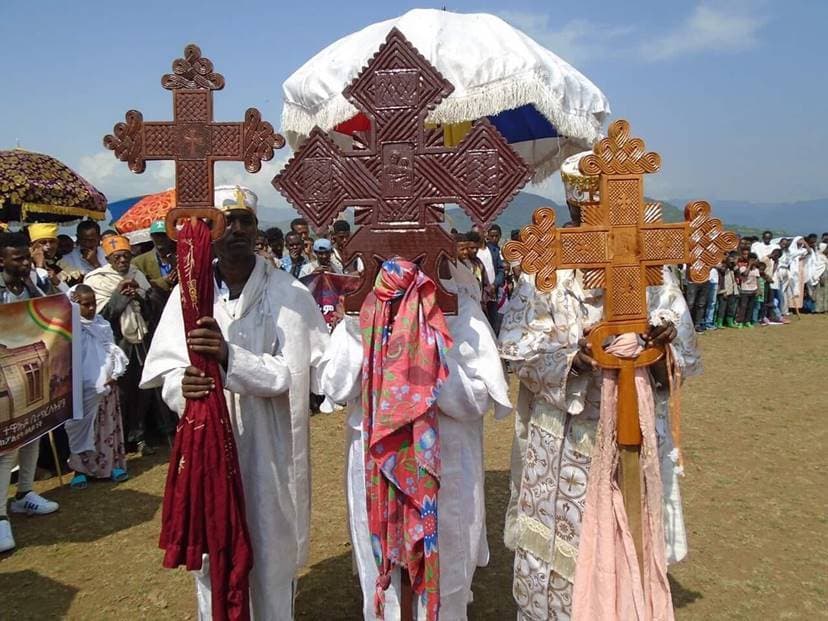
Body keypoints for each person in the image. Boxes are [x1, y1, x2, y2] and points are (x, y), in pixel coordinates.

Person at [499, 152, 698, 620]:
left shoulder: (648, 258)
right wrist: (576, 357)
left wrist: (661, 339)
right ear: (572, 208)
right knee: (566, 543)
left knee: (632, 522)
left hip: (635, 422)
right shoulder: (547, 262)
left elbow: (679, 332)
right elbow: (515, 345)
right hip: (570, 433)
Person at [140, 185, 330, 619]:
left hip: (269, 449)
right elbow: (168, 369)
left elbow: (296, 374)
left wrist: (230, 358)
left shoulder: (289, 295)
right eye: (225, 222)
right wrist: (180, 385)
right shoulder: (186, 297)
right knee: (213, 550)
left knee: (270, 552)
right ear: (207, 230)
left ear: (257, 227)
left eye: (246, 220)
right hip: (208, 444)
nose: (237, 230)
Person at [320, 258, 511, 620]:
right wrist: (373, 338)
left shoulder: (460, 310)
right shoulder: (360, 312)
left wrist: (424, 359)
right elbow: (335, 385)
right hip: (376, 472)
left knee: (446, 583)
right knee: (385, 586)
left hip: (446, 469)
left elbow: (478, 398)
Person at [0, 231, 60, 554]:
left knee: (33, 432)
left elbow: (54, 309)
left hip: (31, 372)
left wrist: (39, 278)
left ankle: (24, 495)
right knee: (7, 444)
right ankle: (0, 517)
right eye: (18, 259)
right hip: (2, 376)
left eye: (26, 257)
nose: (24, 263)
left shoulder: (30, 285)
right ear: (2, 260)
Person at [84, 235, 157, 456]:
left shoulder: (137, 274)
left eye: (126, 256)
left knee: (141, 390)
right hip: (113, 344)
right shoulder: (96, 279)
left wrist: (139, 297)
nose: (123, 261)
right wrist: (120, 296)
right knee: (119, 393)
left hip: (138, 342)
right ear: (108, 258)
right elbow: (99, 316)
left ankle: (140, 434)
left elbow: (150, 310)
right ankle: (119, 438)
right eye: (117, 257)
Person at [65, 284, 130, 489]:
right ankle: (80, 470)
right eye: (85, 305)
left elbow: (112, 350)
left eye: (93, 304)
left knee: (106, 427)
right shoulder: (69, 329)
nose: (91, 309)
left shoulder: (102, 325)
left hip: (106, 387)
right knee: (82, 427)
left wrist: (114, 373)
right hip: (81, 389)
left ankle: (112, 465)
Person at [131, 220, 177, 294]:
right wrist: (164, 281)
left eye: (163, 235)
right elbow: (138, 285)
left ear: (170, 236)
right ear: (151, 237)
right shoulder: (139, 262)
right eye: (156, 235)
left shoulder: (181, 257)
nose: (160, 239)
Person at [27, 223, 69, 293]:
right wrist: (39, 267)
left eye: (52, 242)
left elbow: (70, 295)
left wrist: (57, 282)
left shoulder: (58, 267)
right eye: (43, 242)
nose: (49, 246)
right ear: (32, 245)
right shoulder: (27, 267)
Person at [735, 252, 760, 327]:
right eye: (751, 259)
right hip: (745, 290)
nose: (753, 261)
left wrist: (758, 289)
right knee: (743, 306)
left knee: (750, 307)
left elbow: (757, 280)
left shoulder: (756, 270)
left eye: (754, 260)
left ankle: (747, 321)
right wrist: (749, 265)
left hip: (753, 290)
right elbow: (745, 274)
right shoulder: (743, 268)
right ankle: (740, 321)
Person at [715, 252, 739, 327]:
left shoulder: (732, 266)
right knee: (722, 307)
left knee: (731, 307)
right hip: (723, 289)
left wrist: (734, 264)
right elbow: (722, 271)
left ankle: (730, 322)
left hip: (732, 289)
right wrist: (727, 262)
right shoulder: (720, 265)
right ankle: (719, 322)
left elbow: (738, 274)